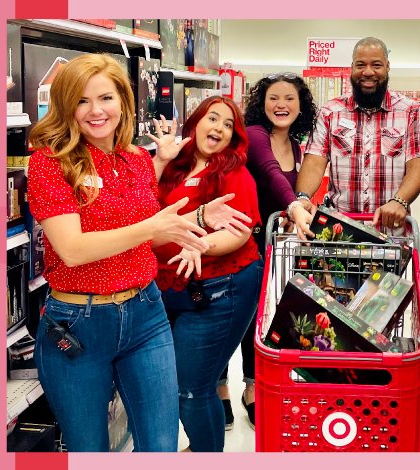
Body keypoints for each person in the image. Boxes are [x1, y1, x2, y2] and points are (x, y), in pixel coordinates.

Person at [27, 53, 250, 452]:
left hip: (146, 314)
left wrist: (195, 217)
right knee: (89, 448)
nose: (96, 111)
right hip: (79, 323)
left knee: (160, 446)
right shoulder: (49, 164)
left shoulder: (136, 160)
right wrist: (153, 226)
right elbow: (73, 250)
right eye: (81, 101)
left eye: (106, 98)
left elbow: (144, 238)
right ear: (65, 106)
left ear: (123, 103)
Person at [148, 96, 262, 452]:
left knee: (192, 389)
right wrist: (159, 160)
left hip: (221, 290)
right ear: (195, 122)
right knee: (183, 385)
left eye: (228, 125)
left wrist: (200, 245)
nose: (218, 128)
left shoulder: (233, 174)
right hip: (168, 289)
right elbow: (136, 208)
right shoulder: (174, 168)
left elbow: (240, 230)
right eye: (212, 118)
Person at [215, 72, 317, 430]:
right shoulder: (255, 136)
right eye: (274, 98)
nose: (281, 105)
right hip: (235, 239)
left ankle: (252, 388)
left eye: (290, 98)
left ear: (300, 105)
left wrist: (296, 211)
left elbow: (292, 188)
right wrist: (293, 206)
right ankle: (220, 387)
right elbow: (271, 174)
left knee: (260, 317)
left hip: (269, 245)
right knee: (231, 315)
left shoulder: (299, 145)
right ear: (262, 103)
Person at [287, 37, 420, 236]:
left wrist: (399, 201)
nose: (368, 72)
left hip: (390, 231)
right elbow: (314, 161)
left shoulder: (410, 111)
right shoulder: (331, 111)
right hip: (338, 229)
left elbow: (419, 166)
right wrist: (303, 197)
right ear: (351, 68)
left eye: (376, 65)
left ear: (388, 67)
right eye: (360, 65)